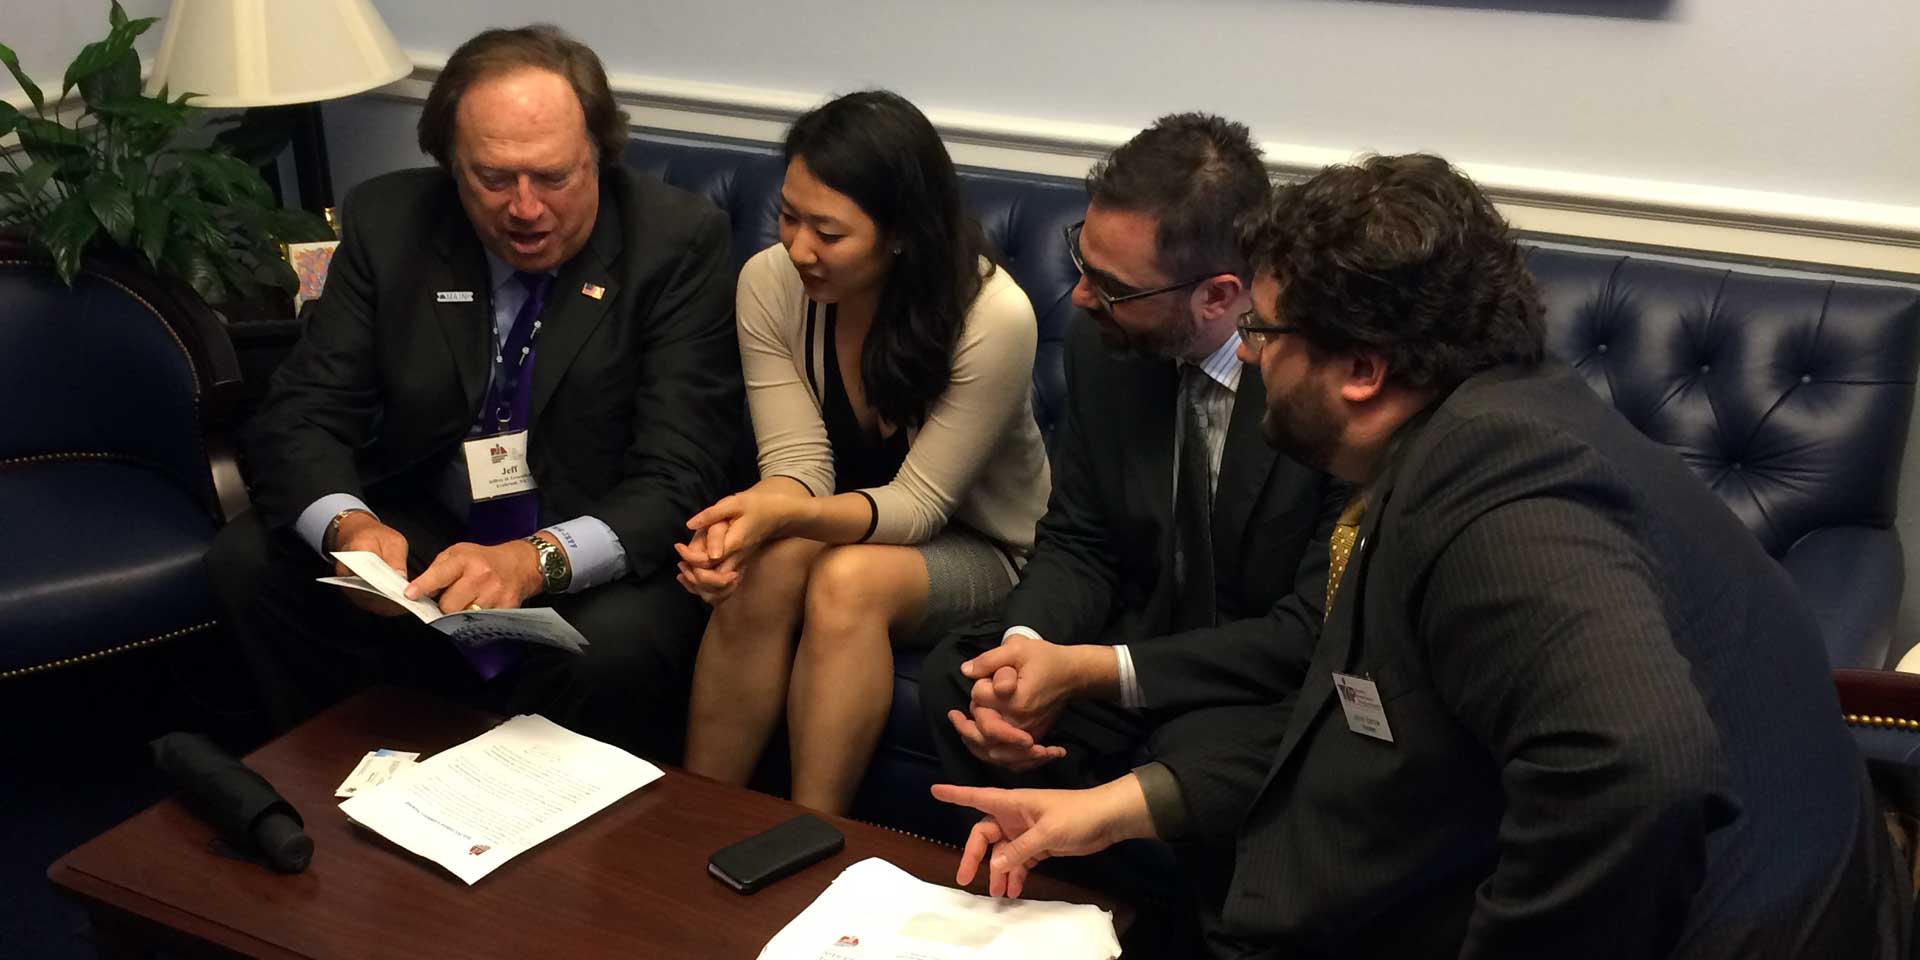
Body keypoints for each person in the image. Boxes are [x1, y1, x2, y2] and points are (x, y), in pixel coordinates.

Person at [934, 154, 1908, 958]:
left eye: (1269, 334)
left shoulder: (1505, 493)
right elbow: (1360, 710)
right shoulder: (1471, 429)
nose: (1255, 357)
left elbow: (1637, 772)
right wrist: (1118, 810)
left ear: (1362, 370)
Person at [205, 25, 741, 762]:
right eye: (493, 179)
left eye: (553, 177)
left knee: (611, 651)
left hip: (592, 542)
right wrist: (351, 531)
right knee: (251, 561)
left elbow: (680, 473)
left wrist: (532, 560)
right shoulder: (391, 221)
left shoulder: (676, 242)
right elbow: (301, 413)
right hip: (436, 519)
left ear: (599, 158)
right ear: (451, 166)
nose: (524, 208)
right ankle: (337, 795)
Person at [916, 114, 1341, 956]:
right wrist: (1023, 652)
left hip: (1264, 683)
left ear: (1220, 296)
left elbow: (1307, 633)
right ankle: (1050, 925)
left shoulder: (1315, 383)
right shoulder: (1103, 346)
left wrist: (1089, 673)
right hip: (1142, 638)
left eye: (1110, 286)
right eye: (1083, 261)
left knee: (1200, 750)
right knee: (958, 682)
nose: (1078, 297)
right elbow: (1080, 538)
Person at [676, 91, 1051, 816]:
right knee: (770, 558)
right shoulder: (769, 285)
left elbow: (919, 507)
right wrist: (743, 523)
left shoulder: (992, 315)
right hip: (849, 524)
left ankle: (817, 835)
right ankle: (696, 814)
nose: (798, 248)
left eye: (829, 232)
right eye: (788, 216)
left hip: (988, 548)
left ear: (902, 234)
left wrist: (780, 520)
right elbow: (799, 468)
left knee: (846, 580)